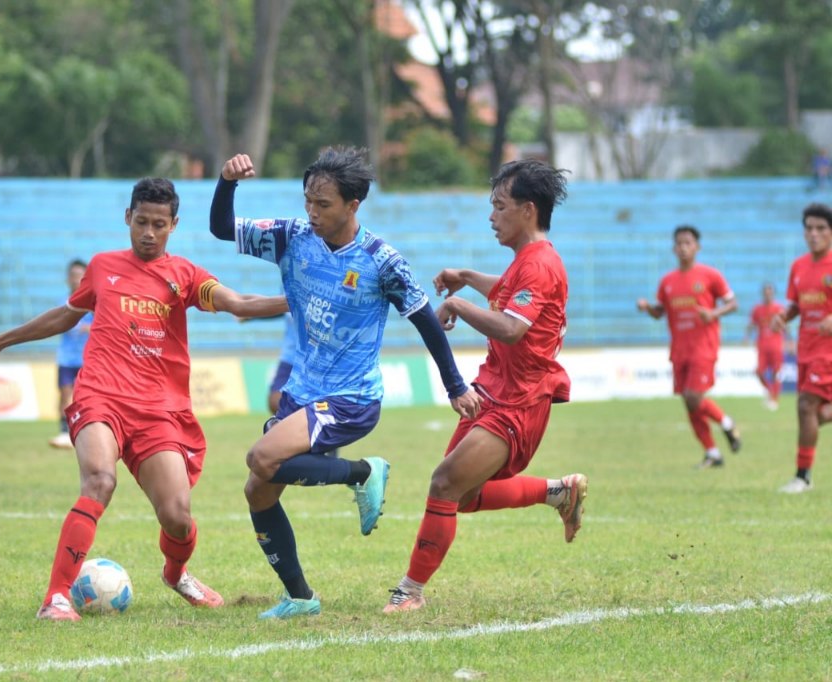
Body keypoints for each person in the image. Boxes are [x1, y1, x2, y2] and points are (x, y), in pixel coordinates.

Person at [0, 177, 287, 621]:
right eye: (142, 222)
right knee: (99, 481)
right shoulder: (102, 267)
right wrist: (0, 341)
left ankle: (176, 573)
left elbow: (239, 303)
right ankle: (56, 596)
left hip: (158, 410)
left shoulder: (185, 276)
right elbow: (64, 314)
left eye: (159, 225)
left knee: (178, 517)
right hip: (100, 397)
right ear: (128, 218)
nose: (149, 233)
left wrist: (297, 300)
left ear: (174, 225)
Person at [210, 147, 482, 620]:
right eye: (308, 201)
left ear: (353, 204)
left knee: (261, 456)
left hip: (352, 398)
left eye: (324, 204)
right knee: (258, 488)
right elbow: (221, 228)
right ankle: (300, 596)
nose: (312, 213)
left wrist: (455, 385)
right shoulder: (291, 237)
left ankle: (363, 472)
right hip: (302, 391)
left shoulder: (382, 261)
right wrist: (227, 183)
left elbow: (426, 322)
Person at [382, 159, 587, 613]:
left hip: (519, 400)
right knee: (466, 496)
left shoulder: (541, 264)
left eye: (499, 206)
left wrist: (457, 301)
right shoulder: (528, 262)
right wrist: (470, 279)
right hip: (495, 391)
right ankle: (559, 492)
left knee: (444, 484)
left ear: (527, 210)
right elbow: (509, 291)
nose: (491, 216)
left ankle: (410, 590)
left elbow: (512, 328)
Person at [636, 225, 741, 469]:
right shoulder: (667, 281)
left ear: (697, 247)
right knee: (688, 401)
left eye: (688, 243)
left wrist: (713, 313)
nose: (683, 248)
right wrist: (647, 307)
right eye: (679, 244)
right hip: (679, 349)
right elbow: (659, 312)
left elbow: (733, 303)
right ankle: (712, 453)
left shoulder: (710, 275)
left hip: (704, 346)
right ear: (674, 248)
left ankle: (726, 422)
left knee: (694, 397)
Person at [772, 202, 832, 494]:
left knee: (806, 405)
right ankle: (803, 475)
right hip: (806, 348)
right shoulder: (799, 266)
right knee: (810, 412)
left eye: (821, 228)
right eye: (809, 228)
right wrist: (784, 315)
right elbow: (797, 303)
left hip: (829, 351)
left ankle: (803, 476)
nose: (814, 234)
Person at [49, 259, 93, 449]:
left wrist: (88, 328)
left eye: (80, 276)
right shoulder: (62, 303)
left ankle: (83, 431)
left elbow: (105, 324)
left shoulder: (93, 301)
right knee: (65, 393)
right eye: (73, 276)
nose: (76, 280)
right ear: (68, 279)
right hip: (66, 358)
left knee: (83, 396)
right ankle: (64, 432)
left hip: (87, 359)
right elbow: (53, 324)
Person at [746, 283, 787, 411]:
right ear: (763, 293)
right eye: (766, 292)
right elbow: (752, 324)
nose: (768, 294)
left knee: (776, 372)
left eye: (770, 292)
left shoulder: (779, 308)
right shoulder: (757, 309)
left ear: (773, 293)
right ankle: (770, 392)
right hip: (762, 345)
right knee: (759, 372)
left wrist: (790, 341)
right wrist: (747, 337)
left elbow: (786, 325)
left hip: (776, 345)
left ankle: (774, 399)